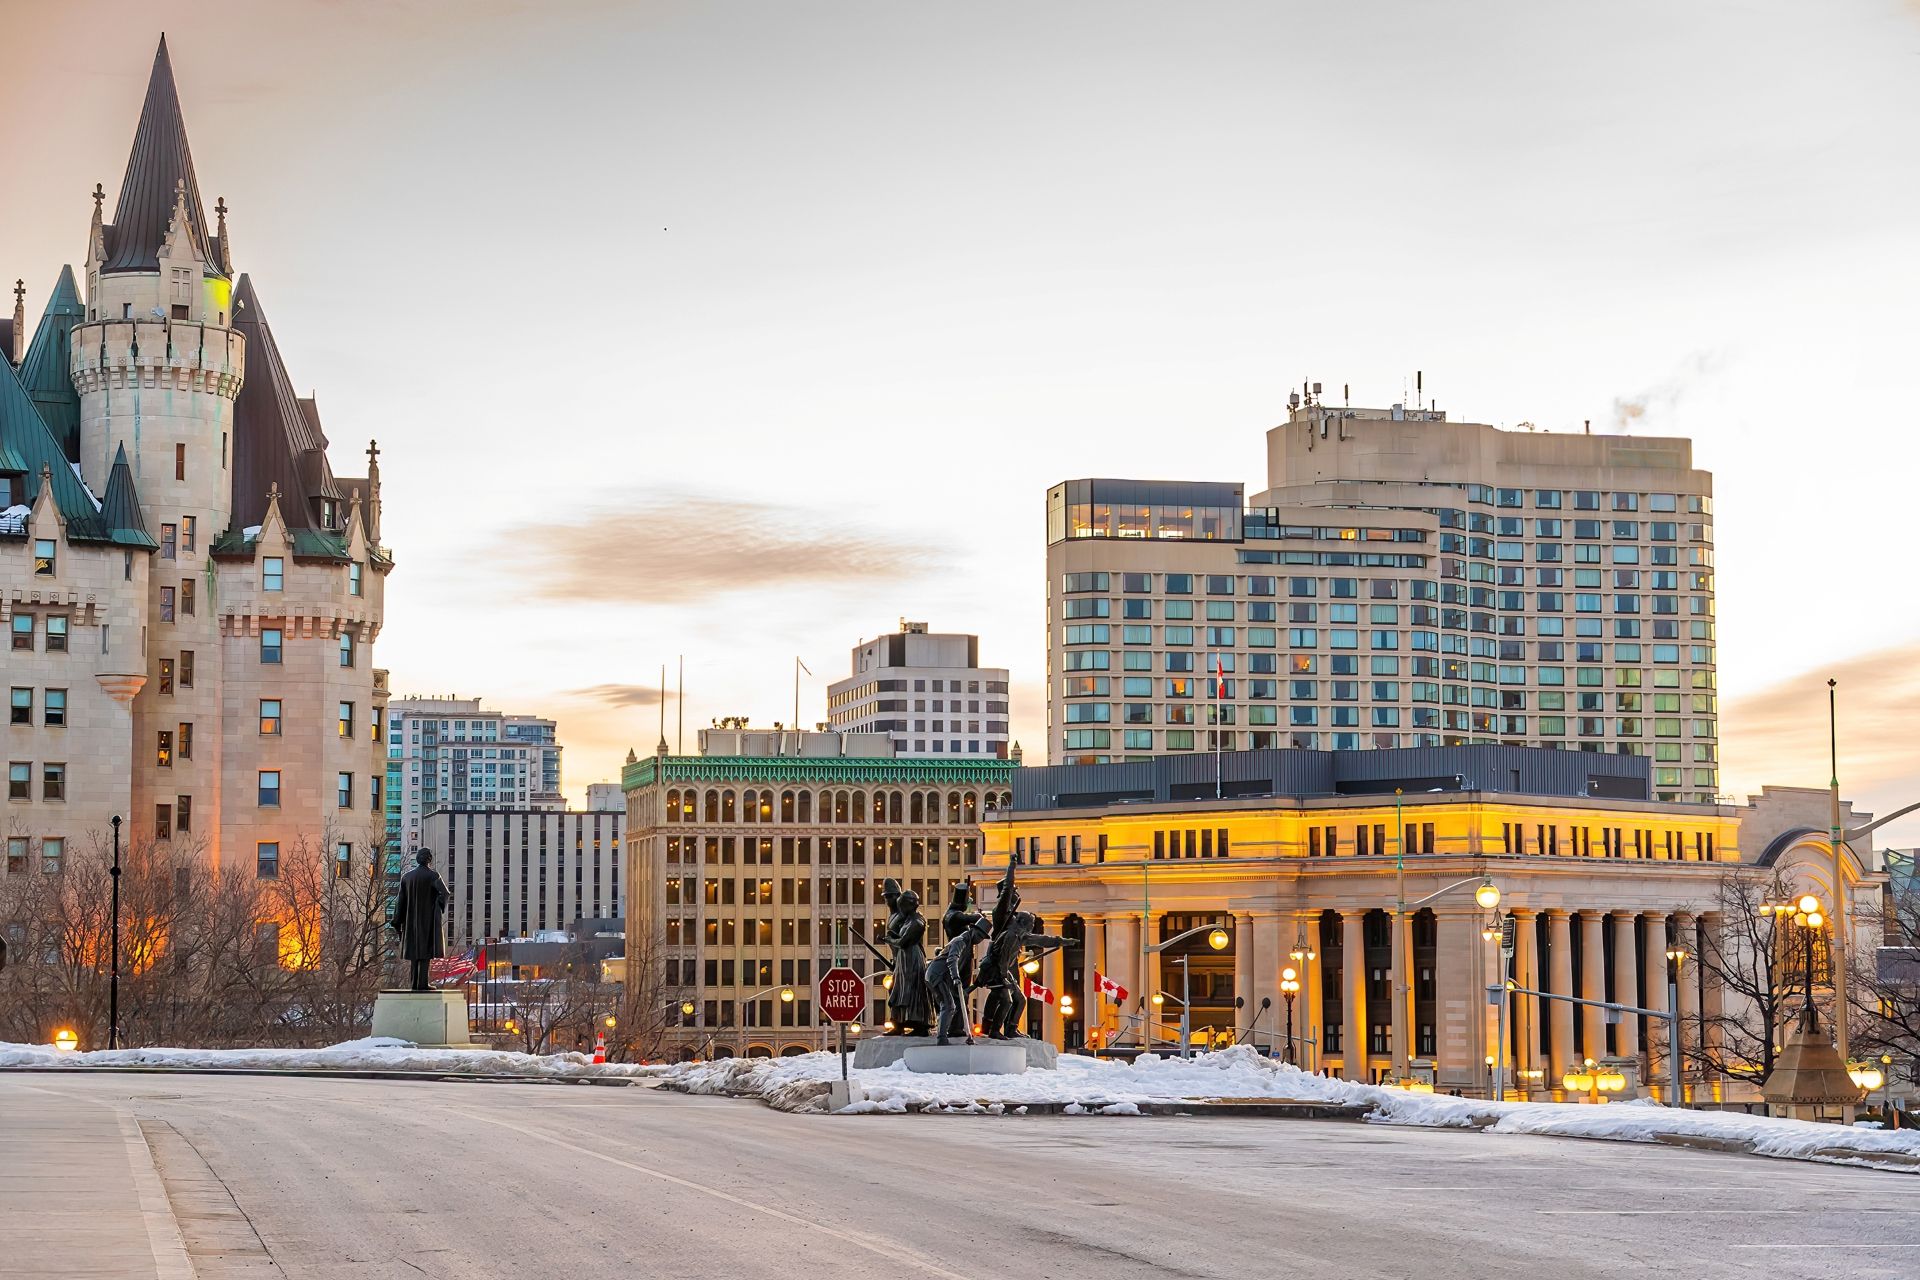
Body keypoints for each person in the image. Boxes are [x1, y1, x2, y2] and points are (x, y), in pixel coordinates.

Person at [924, 915, 992, 1045]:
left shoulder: (968, 944)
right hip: (938, 974)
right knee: (948, 1005)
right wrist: (955, 977)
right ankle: (942, 1038)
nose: (979, 939)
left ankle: (947, 1033)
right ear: (973, 930)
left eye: (982, 938)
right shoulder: (961, 941)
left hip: (944, 976)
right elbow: (952, 959)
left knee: (951, 1005)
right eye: (979, 935)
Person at [390, 849, 449, 992]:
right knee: (425, 952)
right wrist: (437, 907)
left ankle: (415, 983)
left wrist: (397, 921)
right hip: (427, 921)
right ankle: (422, 983)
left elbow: (400, 903)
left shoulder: (407, 877)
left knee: (415, 953)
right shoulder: (433, 876)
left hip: (410, 922)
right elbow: (445, 893)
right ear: (429, 859)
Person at [881, 878, 931, 1035]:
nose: (889, 901)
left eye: (891, 896)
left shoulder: (917, 921)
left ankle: (919, 1025)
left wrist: (889, 939)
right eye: (886, 897)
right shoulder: (905, 918)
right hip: (902, 958)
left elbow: (904, 941)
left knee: (912, 990)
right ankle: (898, 1024)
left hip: (912, 959)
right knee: (898, 990)